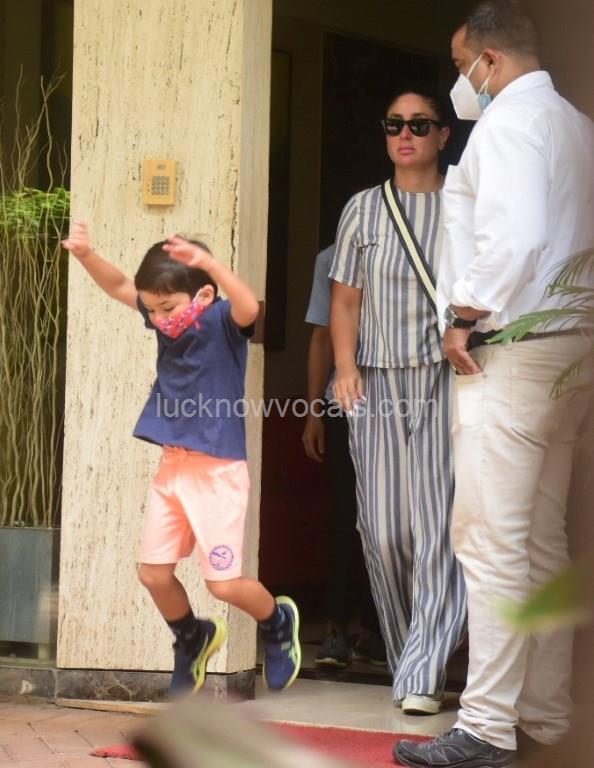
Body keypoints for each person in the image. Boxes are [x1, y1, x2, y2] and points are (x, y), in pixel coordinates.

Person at [394, 2, 594, 767]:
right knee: (542, 541)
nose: (460, 81)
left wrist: (463, 314)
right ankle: (544, 714)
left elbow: (514, 236)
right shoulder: (575, 125)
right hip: (567, 350)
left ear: (490, 60)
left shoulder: (508, 124)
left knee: (491, 542)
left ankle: (484, 728)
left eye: (459, 65)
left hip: (509, 349)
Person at [63, 222, 302, 696]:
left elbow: (250, 306)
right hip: (173, 467)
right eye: (151, 309)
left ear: (204, 295)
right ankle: (193, 636)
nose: (158, 318)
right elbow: (119, 285)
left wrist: (211, 263)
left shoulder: (222, 321)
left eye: (167, 308)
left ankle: (277, 620)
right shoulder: (162, 319)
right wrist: (87, 255)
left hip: (218, 473)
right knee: (153, 573)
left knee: (223, 585)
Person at [330, 91, 467, 714]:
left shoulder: (465, 199)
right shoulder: (363, 208)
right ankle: (414, 652)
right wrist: (344, 368)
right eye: (394, 125)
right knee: (384, 530)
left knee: (437, 528)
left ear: (443, 134)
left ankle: (422, 673)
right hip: (376, 381)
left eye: (418, 124)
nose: (404, 134)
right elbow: (345, 300)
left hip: (446, 378)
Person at [302, 243, 386, 668]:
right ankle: (335, 627)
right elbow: (321, 337)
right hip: (344, 403)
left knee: (392, 518)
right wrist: (313, 412)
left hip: (402, 401)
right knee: (343, 515)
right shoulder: (329, 259)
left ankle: (378, 629)